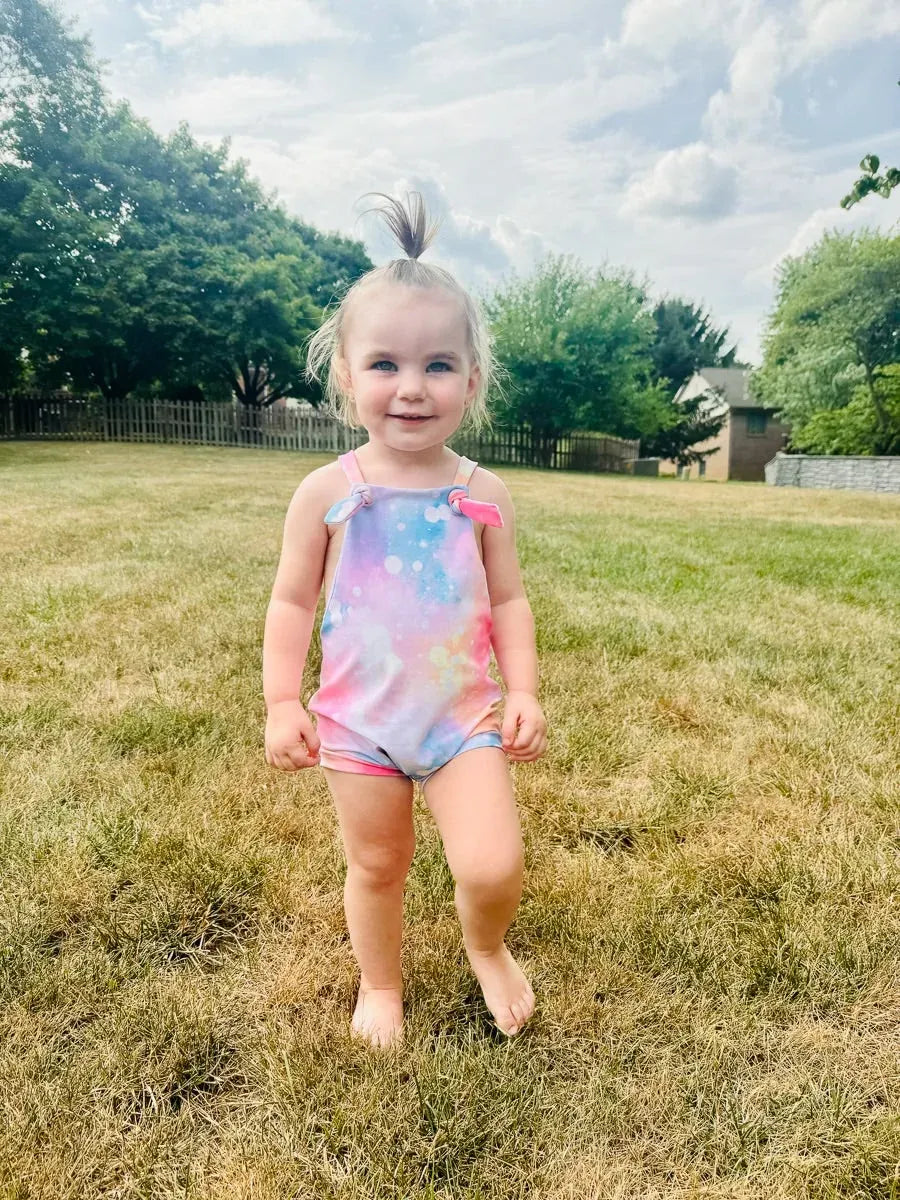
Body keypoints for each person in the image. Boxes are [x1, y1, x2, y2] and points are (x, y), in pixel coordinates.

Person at [262, 193, 547, 1048]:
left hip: (462, 721)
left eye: (438, 366)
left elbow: (507, 600)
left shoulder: (480, 495)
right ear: (346, 376)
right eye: (385, 364)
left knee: (493, 864)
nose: (412, 388)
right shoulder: (328, 493)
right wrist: (284, 701)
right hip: (360, 724)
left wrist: (524, 688)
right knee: (378, 865)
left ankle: (486, 945)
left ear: (472, 380)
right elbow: (292, 602)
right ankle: (380, 985)